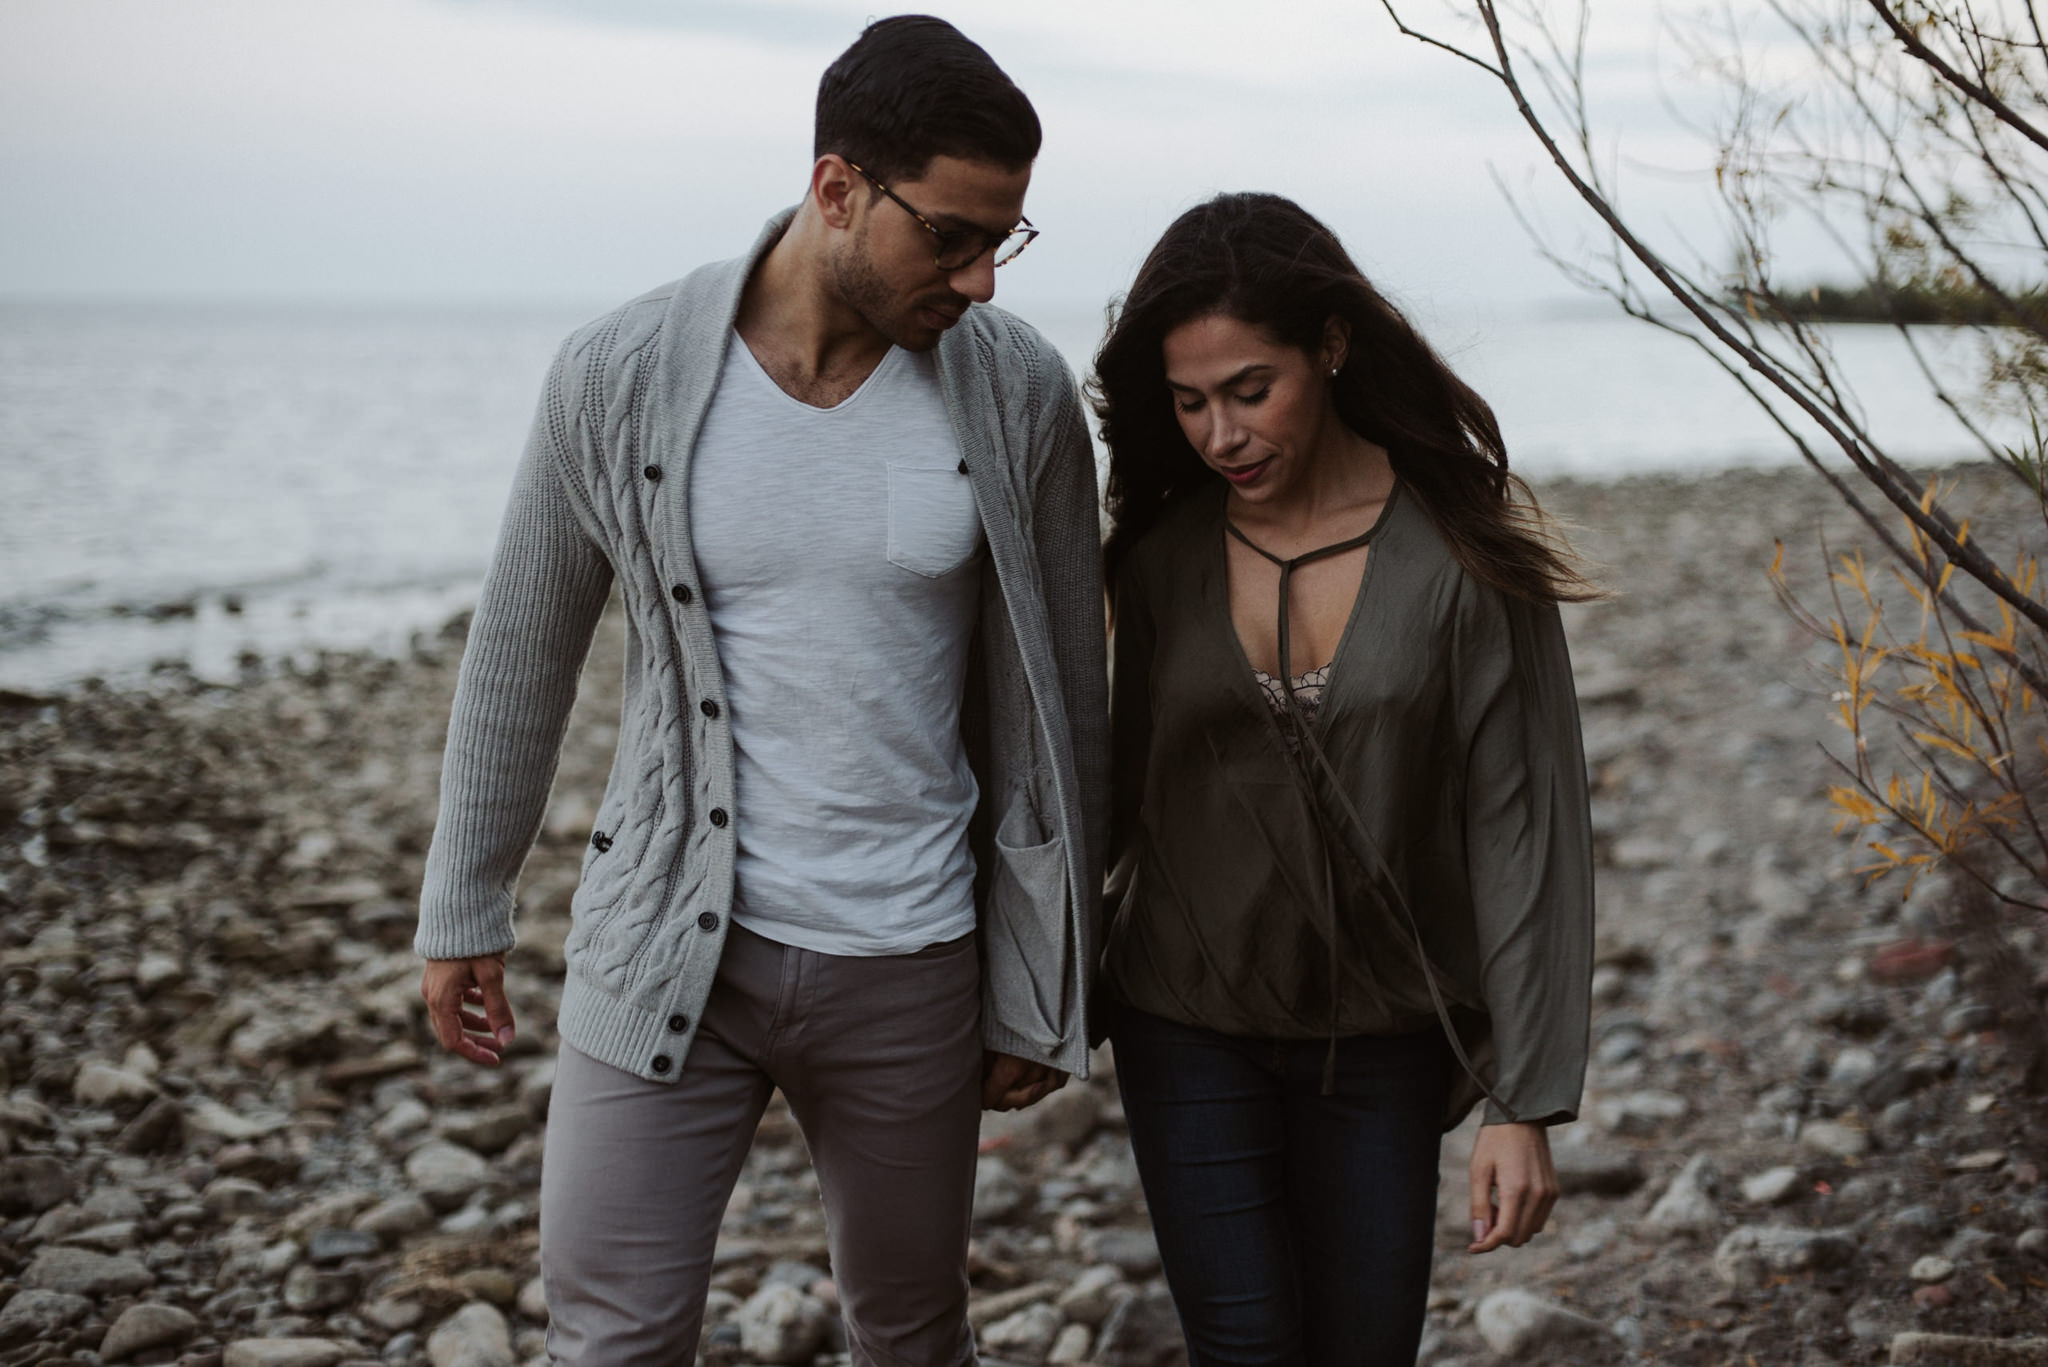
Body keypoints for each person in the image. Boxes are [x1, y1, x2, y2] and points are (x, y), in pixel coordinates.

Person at [411, 17, 1107, 1364]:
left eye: (1004, 241)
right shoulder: (617, 377)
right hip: (668, 935)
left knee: (912, 1328)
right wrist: (464, 904)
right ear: (837, 186)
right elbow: (521, 647)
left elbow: (1065, 701)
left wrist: (1048, 975)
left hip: (913, 953)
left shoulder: (1015, 391)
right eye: (952, 237)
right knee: (612, 1333)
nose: (979, 280)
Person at [1091, 192, 1596, 1366]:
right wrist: (1019, 993)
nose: (1220, 433)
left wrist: (1520, 1099)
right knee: (1247, 1345)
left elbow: (1520, 829)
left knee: (1364, 1349)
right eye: (1188, 401)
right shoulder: (1160, 562)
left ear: (1329, 344)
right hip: (1184, 1020)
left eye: (1248, 389)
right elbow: (1095, 799)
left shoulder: (1461, 558)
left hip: (1378, 1035)